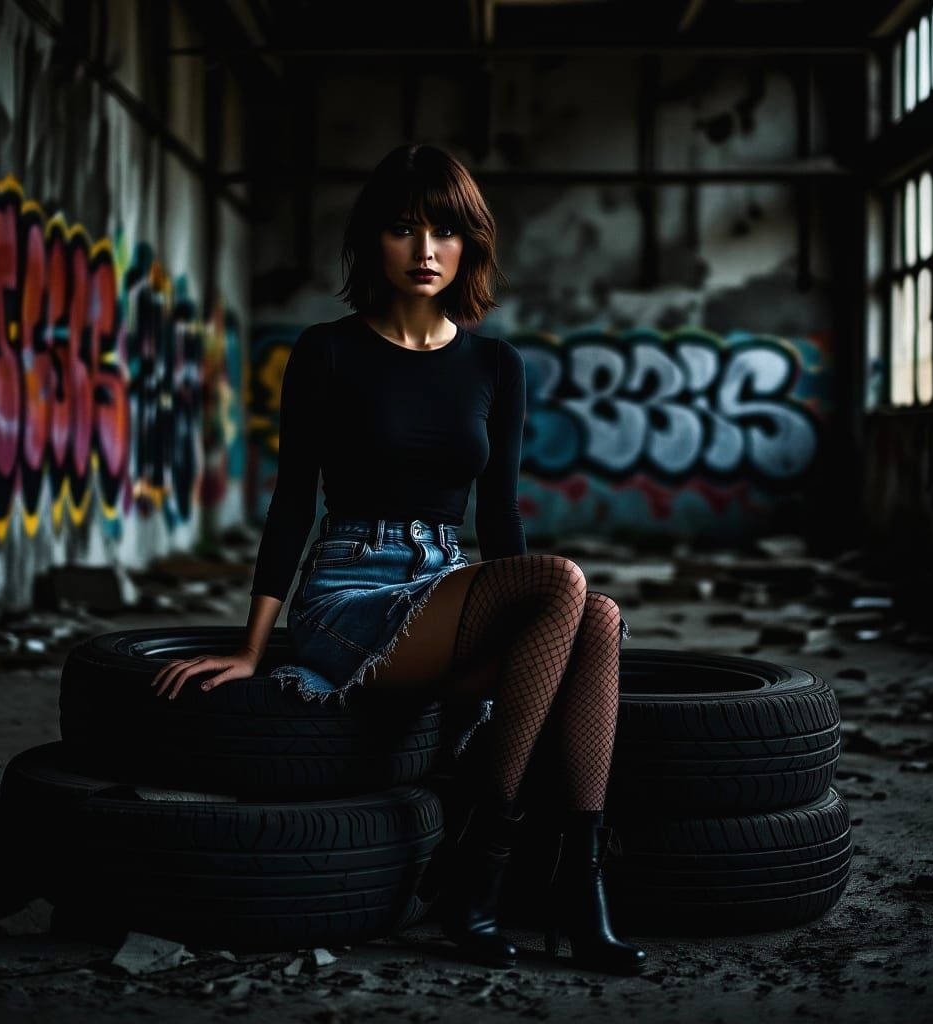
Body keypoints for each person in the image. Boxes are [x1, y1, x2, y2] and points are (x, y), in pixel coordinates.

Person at [148, 143, 647, 974]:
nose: (425, 251)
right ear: (369, 243)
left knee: (591, 615)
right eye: (403, 229)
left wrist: (525, 615)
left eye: (445, 232)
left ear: (470, 245)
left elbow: (500, 515)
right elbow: (292, 504)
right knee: (566, 583)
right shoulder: (327, 352)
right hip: (349, 591)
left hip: (449, 580)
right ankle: (482, 866)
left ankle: (575, 882)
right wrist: (249, 647)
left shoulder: (496, 365)